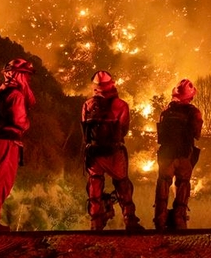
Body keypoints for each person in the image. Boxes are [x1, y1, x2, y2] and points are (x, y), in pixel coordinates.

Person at [82, 70, 144, 231]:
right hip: (114, 152)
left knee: (94, 186)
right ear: (112, 85)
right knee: (123, 185)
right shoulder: (121, 105)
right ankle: (130, 220)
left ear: (95, 87)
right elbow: (123, 129)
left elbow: (84, 130)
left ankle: (95, 221)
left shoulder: (87, 104)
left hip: (94, 153)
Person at [0, 58, 36, 233]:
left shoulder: (0, 91)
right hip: (8, 142)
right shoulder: (16, 94)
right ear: (19, 75)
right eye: (26, 75)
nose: (28, 79)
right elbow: (19, 122)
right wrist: (27, 124)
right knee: (2, 181)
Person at [154, 79, 204, 231]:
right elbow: (197, 134)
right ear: (190, 96)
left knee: (163, 184)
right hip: (184, 155)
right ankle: (179, 219)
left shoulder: (166, 111)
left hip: (166, 155)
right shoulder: (194, 112)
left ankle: (160, 220)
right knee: (183, 184)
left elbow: (160, 134)